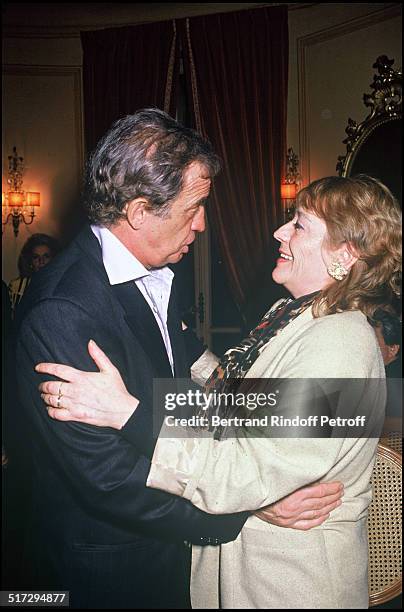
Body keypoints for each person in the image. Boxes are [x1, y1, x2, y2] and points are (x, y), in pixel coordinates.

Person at [14, 109, 339, 610]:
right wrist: (247, 509)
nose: (204, 223)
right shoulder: (65, 310)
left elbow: (188, 397)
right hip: (107, 569)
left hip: (165, 551)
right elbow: (109, 477)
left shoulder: (153, 269)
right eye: (195, 207)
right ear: (141, 211)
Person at [37, 174, 401, 609]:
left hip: (289, 585)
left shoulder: (342, 344)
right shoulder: (296, 315)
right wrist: (181, 344)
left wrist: (128, 413)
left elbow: (244, 471)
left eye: (300, 225)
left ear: (344, 254)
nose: (280, 232)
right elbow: (240, 406)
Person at [8, 233, 60, 316]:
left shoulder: (60, 285)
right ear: (30, 262)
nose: (41, 261)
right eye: (36, 257)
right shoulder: (16, 287)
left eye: (46, 256)